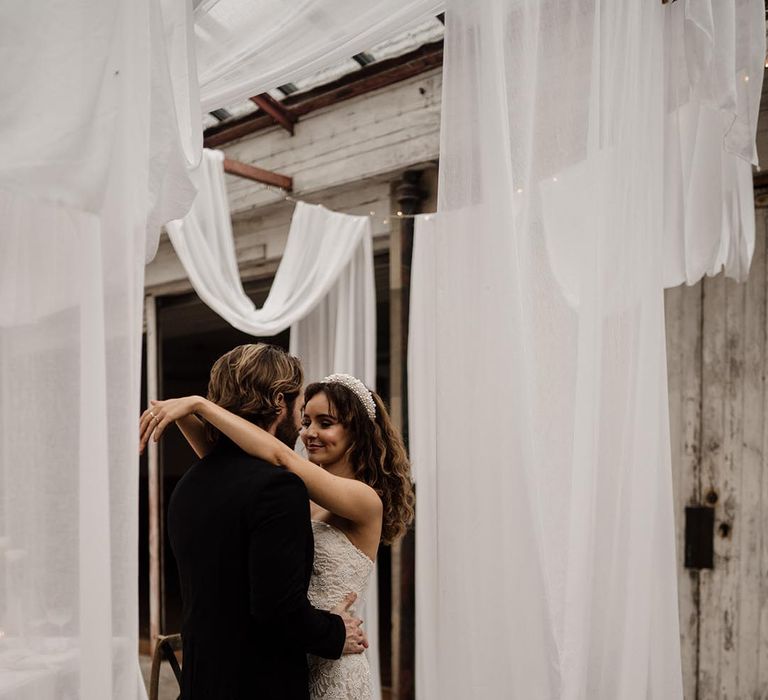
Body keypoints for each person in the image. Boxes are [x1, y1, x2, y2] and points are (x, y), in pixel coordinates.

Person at [141, 360, 414, 700]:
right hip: (294, 650)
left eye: (325, 423)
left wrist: (201, 406)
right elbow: (223, 459)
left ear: (358, 432)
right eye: (306, 421)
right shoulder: (295, 490)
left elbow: (282, 458)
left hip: (333, 661)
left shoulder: (364, 500)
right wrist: (184, 418)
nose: (309, 433)